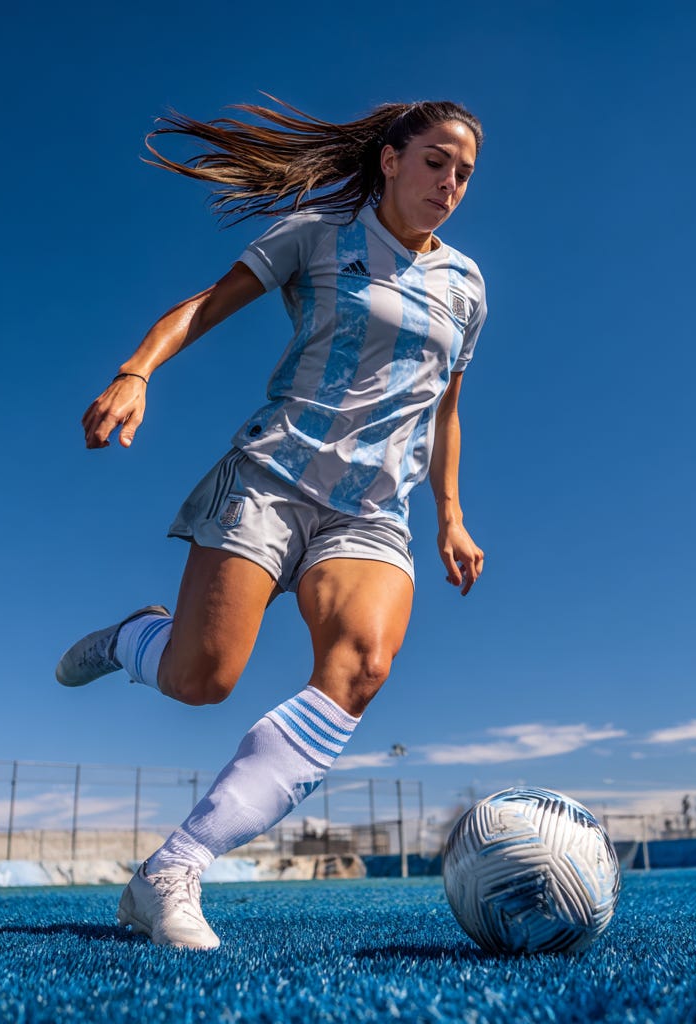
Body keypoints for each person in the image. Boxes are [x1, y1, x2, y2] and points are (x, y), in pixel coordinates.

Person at [56, 97, 487, 950]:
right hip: (272, 478)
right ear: (392, 160)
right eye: (436, 161)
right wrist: (136, 371)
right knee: (203, 679)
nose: (451, 183)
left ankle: (172, 870)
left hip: (372, 514)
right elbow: (204, 306)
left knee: (363, 665)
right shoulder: (319, 234)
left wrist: (450, 514)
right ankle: (136, 638)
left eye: (465, 173)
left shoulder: (468, 285)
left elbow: (448, 408)